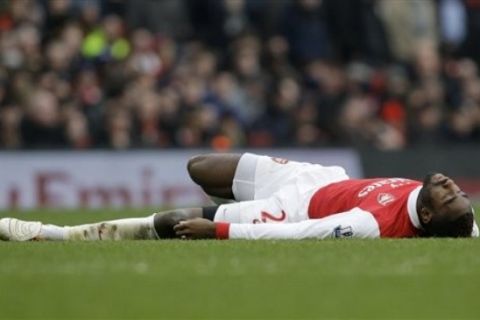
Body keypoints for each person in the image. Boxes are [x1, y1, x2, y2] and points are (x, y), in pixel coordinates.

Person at [0, 153, 478, 241]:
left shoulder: (370, 226)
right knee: (201, 168)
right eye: (457, 192)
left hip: (294, 208)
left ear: (430, 214)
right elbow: (468, 230)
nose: (453, 187)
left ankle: (49, 234)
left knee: (169, 222)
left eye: (451, 196)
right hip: (320, 176)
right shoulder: (449, 216)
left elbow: (297, 234)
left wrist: (221, 228)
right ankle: (220, 200)